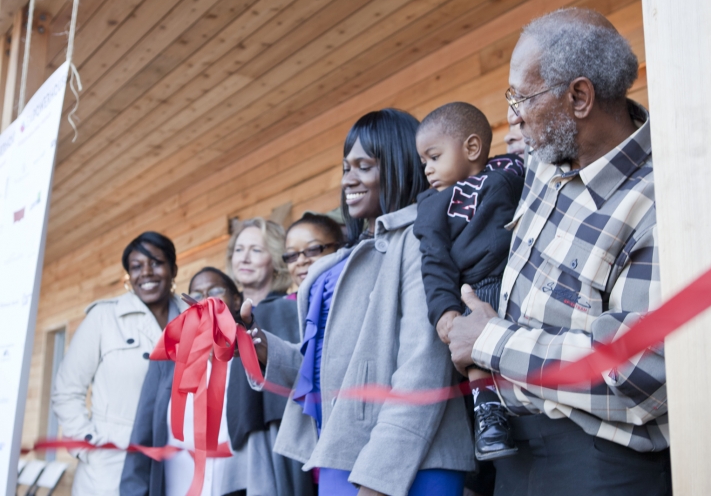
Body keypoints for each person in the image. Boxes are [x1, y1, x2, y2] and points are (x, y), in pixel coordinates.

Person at [447, 8, 670, 496]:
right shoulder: (547, 162)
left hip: (600, 465)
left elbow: (641, 375)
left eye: (521, 96)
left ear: (580, 97)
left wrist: (489, 341)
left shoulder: (660, 201)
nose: (512, 114)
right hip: (518, 452)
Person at [244, 109, 475, 496]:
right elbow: (330, 369)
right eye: (345, 167)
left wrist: (378, 479)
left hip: (404, 463)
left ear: (399, 165)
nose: (348, 179)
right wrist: (263, 348)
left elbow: (423, 368)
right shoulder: (347, 258)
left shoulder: (421, 241)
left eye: (363, 166)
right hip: (343, 451)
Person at [413, 101, 525, 463]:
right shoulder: (432, 204)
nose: (427, 169)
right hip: (474, 285)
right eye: (424, 162)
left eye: (433, 157)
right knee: (475, 338)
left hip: (519, 277)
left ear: (472, 149)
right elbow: (434, 260)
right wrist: (444, 312)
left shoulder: (509, 170)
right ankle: (488, 414)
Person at [52, 232, 187, 496]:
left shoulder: (191, 316)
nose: (146, 273)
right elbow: (66, 391)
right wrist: (89, 445)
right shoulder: (103, 317)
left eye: (156, 263)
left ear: (173, 269)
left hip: (176, 459)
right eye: (136, 267)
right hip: (112, 464)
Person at [120, 267, 243, 496]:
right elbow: (142, 436)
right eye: (196, 295)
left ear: (236, 301)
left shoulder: (253, 357)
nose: (205, 299)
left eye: (216, 290)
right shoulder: (166, 362)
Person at [223, 218, 315, 496]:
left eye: (256, 250)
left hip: (279, 439)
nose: (245, 258)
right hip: (236, 442)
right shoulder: (223, 319)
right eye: (239, 250)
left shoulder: (289, 309)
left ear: (275, 258)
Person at [283, 212, 345, 291]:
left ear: (338, 248)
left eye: (312, 249)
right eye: (292, 255)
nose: (301, 261)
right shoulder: (286, 303)